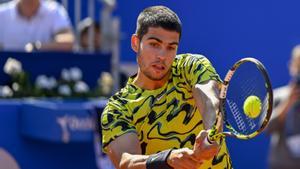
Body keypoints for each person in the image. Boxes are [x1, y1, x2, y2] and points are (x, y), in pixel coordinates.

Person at [101, 5, 232, 169]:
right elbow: (126, 162)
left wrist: (211, 135)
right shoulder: (118, 108)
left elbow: (209, 99)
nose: (162, 56)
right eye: (154, 44)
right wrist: (167, 158)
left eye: (171, 47)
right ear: (136, 43)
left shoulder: (191, 66)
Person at [267, 45, 300, 169]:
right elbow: (267, 127)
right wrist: (287, 103)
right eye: (299, 66)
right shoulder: (278, 95)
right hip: (281, 164)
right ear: (292, 66)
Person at [0, 0, 74, 51]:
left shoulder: (54, 11)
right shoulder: (2, 14)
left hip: (45, 71)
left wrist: (37, 46)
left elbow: (68, 42)